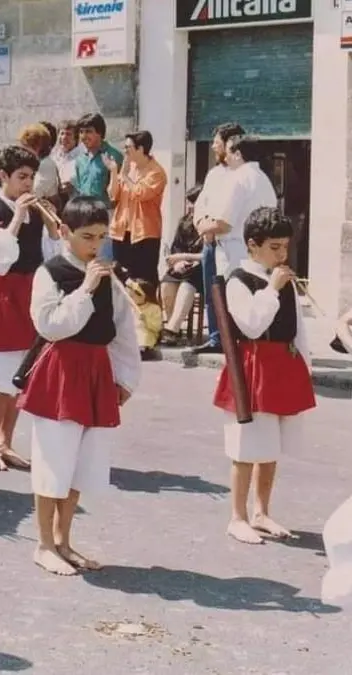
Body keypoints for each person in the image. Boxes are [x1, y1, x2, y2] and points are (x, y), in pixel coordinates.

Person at [17, 196, 140, 575]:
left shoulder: (107, 275)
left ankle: (64, 541)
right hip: (62, 370)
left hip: (96, 371)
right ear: (65, 232)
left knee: (81, 465)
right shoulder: (50, 273)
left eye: (102, 237)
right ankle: (43, 544)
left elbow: (122, 330)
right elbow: (50, 325)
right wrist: (85, 289)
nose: (95, 245)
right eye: (87, 237)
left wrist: (125, 379)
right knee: (54, 460)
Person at [211, 207, 314, 545]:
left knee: (271, 447)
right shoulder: (238, 280)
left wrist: (305, 368)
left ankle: (261, 511)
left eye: (284, 247)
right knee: (247, 447)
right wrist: (272, 288)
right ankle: (237, 516)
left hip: (282, 365)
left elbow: (297, 327)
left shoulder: (283, 278)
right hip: (253, 366)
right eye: (274, 247)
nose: (281, 254)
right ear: (253, 245)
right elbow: (251, 324)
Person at [0, 145, 61, 472]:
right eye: (22, 177)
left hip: (30, 295)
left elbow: (50, 256)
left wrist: (52, 229)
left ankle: (7, 442)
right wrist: (18, 218)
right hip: (2, 296)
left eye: (32, 177)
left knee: (20, 377)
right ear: (4, 176)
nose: (28, 184)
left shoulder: (37, 210)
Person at [190, 122, 245, 354]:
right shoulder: (214, 174)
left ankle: (237, 339)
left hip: (235, 243)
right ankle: (216, 338)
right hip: (211, 241)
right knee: (212, 293)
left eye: (217, 142)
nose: (213, 146)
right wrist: (204, 227)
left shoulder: (243, 175)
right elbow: (201, 205)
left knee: (236, 293)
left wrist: (215, 227)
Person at [106, 130, 167, 285]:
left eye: (128, 147)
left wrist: (125, 176)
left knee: (144, 280)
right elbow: (113, 195)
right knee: (121, 277)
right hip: (122, 231)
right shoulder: (129, 168)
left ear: (140, 149)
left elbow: (140, 193)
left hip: (144, 233)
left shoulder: (156, 172)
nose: (125, 151)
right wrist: (114, 171)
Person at [160, 185, 204, 345]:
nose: (191, 206)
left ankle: (172, 328)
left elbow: (208, 254)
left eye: (195, 202)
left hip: (200, 269)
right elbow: (175, 248)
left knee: (189, 281)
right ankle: (174, 329)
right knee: (167, 282)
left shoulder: (209, 224)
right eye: (189, 202)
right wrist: (177, 262)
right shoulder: (184, 223)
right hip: (182, 266)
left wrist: (189, 259)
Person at [71, 112, 122, 206]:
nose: (83, 136)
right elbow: (79, 189)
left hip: (107, 213)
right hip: (84, 211)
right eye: (81, 132)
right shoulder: (80, 159)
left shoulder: (113, 156)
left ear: (100, 133)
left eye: (88, 131)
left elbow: (120, 191)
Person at [125, 278, 161, 361]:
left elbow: (157, 327)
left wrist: (145, 320)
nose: (132, 298)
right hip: (131, 331)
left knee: (143, 336)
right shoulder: (129, 307)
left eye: (134, 295)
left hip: (147, 331)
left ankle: (142, 351)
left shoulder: (154, 308)